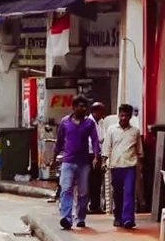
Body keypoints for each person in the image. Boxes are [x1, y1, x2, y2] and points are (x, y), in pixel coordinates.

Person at [56, 97, 102, 230]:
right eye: (81, 106)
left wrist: (96, 156)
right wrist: (54, 158)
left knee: (83, 192)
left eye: (84, 106)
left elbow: (94, 140)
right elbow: (59, 142)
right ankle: (66, 217)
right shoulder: (65, 122)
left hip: (83, 163)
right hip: (68, 161)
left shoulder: (89, 123)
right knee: (66, 189)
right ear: (74, 107)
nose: (83, 109)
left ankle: (81, 217)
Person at [102, 104, 143, 229]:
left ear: (130, 117)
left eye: (126, 116)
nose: (124, 118)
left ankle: (128, 219)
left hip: (130, 165)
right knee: (118, 193)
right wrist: (104, 161)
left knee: (129, 192)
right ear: (118, 115)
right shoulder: (111, 130)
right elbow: (106, 147)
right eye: (122, 115)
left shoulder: (135, 132)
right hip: (116, 166)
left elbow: (139, 150)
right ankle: (118, 216)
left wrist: (141, 164)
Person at [89, 102, 110, 216]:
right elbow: (93, 141)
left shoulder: (101, 122)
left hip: (100, 152)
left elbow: (103, 138)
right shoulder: (89, 122)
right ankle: (91, 205)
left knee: (97, 181)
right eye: (101, 112)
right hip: (90, 153)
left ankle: (95, 205)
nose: (102, 114)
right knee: (91, 181)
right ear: (94, 112)